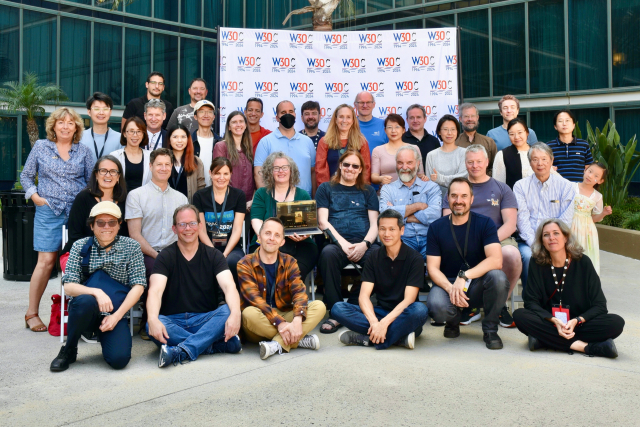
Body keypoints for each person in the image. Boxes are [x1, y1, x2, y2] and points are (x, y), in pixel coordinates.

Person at [49, 202, 146, 372]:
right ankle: (69, 350)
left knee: (119, 360)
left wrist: (116, 317)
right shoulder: (80, 246)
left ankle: (106, 333)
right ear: (92, 226)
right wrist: (96, 292)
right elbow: (69, 286)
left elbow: (138, 286)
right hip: (85, 312)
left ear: (119, 225)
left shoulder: (131, 247)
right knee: (84, 301)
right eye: (100, 222)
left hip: (115, 312)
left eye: (112, 222)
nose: (106, 227)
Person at [20, 107, 93, 333]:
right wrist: (34, 196)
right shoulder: (41, 147)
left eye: (70, 123)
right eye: (61, 122)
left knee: (78, 260)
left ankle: (77, 313)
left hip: (76, 214)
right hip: (48, 211)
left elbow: (92, 182)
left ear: (76, 128)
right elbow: (26, 175)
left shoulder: (84, 151)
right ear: (53, 126)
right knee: (46, 262)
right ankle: (31, 313)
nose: (65, 126)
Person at [146, 205, 242, 367]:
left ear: (200, 225)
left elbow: (229, 287)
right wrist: (153, 319)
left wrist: (236, 314)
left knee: (227, 311)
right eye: (182, 224)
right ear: (174, 229)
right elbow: (155, 291)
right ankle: (211, 345)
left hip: (205, 320)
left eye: (192, 223)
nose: (187, 228)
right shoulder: (165, 257)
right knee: (152, 323)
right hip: (173, 322)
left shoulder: (214, 255)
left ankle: (179, 351)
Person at [513, 219, 624, 358]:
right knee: (520, 316)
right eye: (546, 235)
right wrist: (554, 320)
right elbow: (530, 301)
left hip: (579, 324)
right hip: (551, 323)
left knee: (616, 323)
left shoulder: (583, 262)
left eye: (556, 233)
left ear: (565, 237)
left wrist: (577, 320)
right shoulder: (537, 263)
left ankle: (544, 340)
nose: (551, 238)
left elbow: (600, 305)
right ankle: (587, 347)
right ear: (542, 241)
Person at [426, 178, 510, 350]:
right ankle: (453, 321)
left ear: (472, 199)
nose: (459, 201)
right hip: (447, 284)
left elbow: (496, 260)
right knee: (436, 305)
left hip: (476, 283)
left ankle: (490, 329)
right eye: (454, 196)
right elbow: (432, 268)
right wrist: (451, 289)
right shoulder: (436, 227)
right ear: (447, 199)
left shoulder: (485, 223)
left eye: (464, 196)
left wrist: (464, 277)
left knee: (498, 278)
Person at [442, 146, 521, 328]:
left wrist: (489, 241)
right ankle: (471, 305)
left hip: (497, 238)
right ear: (465, 163)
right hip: (462, 239)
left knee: (512, 254)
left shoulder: (502, 188)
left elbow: (510, 223)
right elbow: (447, 218)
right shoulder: (456, 188)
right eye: (470, 162)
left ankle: (499, 305)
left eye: (479, 161)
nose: (475, 165)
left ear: (487, 162)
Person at [332, 209, 429, 350]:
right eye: (382, 229)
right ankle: (397, 337)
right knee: (338, 308)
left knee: (420, 310)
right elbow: (364, 296)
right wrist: (374, 322)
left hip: (404, 314)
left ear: (402, 230)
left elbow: (409, 299)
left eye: (392, 229)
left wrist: (384, 324)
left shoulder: (415, 259)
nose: (386, 234)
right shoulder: (374, 256)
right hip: (380, 312)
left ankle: (368, 339)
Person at [238, 218, 326, 360]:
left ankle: (277, 344)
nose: (272, 238)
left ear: (282, 241)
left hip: (284, 313)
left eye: (277, 235)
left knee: (319, 306)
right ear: (259, 237)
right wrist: (280, 323)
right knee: (248, 313)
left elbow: (299, 292)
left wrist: (297, 320)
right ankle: (298, 339)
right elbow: (255, 300)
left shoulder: (290, 262)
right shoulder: (245, 263)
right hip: (259, 320)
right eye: (267, 233)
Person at [316, 150, 379, 334]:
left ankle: (351, 306)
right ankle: (336, 312)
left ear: (360, 170)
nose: (350, 169)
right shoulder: (326, 188)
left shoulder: (368, 191)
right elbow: (323, 222)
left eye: (355, 166)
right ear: (340, 167)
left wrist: (365, 244)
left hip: (364, 243)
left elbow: (375, 223)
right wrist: (342, 244)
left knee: (378, 257)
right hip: (337, 244)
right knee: (327, 255)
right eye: (346, 165)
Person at [514, 142, 575, 290]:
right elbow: (522, 220)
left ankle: (559, 299)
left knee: (568, 257)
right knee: (529, 257)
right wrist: (535, 244)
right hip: (529, 240)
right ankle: (531, 301)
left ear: (552, 160)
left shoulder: (566, 185)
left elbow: (565, 221)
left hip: (557, 239)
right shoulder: (520, 186)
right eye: (535, 159)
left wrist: (551, 240)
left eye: (544, 159)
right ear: (530, 163)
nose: (540, 163)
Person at [250, 152, 319, 280]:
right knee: (271, 269)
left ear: (291, 170)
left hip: (299, 246)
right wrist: (266, 237)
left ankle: (293, 299)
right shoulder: (261, 193)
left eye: (285, 167)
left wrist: (305, 235)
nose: (281, 171)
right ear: (270, 171)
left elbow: (308, 224)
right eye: (276, 168)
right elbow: (256, 219)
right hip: (266, 244)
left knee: (294, 272)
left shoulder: (302, 195)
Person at [126, 148, 189, 279]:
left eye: (167, 164)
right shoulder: (136, 196)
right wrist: (157, 255)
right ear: (150, 166)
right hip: (147, 254)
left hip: (176, 252)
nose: (163, 168)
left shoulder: (181, 198)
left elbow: (185, 232)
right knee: (159, 274)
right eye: (159, 164)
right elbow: (134, 234)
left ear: (171, 166)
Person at [379, 145, 441, 258]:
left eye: (409, 162)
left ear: (417, 164)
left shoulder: (431, 187)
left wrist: (400, 216)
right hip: (402, 241)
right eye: (400, 163)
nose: (404, 167)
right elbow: (385, 214)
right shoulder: (387, 189)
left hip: (429, 239)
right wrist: (417, 206)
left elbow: (435, 215)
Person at [193, 157, 246, 284]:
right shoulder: (200, 196)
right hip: (206, 247)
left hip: (231, 248)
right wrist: (214, 253)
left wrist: (224, 254)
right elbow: (201, 230)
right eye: (217, 173)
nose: (221, 177)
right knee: (203, 263)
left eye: (225, 173)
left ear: (231, 174)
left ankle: (230, 298)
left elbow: (237, 229)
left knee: (232, 262)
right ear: (210, 174)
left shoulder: (238, 195)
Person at [62, 155, 128, 255]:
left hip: (117, 255)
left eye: (113, 171)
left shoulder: (126, 200)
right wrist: (99, 254)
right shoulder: (83, 198)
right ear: (96, 174)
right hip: (82, 253)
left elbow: (127, 236)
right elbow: (75, 235)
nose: (108, 175)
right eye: (103, 170)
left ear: (118, 176)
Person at [254, 100, 316, 196]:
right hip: (275, 200)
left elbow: (313, 173)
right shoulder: (265, 142)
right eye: (283, 112)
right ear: (277, 118)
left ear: (295, 114)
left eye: (291, 111)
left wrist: (314, 199)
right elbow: (259, 174)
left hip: (303, 200)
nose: (288, 115)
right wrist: (266, 200)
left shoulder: (307, 142)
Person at [315, 104, 371, 186]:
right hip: (332, 190)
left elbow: (366, 169)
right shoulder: (324, 142)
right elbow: (321, 171)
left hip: (355, 190)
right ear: (335, 119)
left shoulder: (361, 142)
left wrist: (361, 191)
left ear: (353, 120)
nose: (344, 120)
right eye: (341, 116)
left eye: (348, 117)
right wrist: (327, 191)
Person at [572, 163, 612, 275]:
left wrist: (603, 213)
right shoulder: (571, 187)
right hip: (569, 225)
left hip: (587, 231)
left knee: (585, 255)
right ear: (585, 170)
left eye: (596, 176)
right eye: (590, 171)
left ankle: (584, 284)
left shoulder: (597, 196)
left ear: (600, 181)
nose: (590, 176)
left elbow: (594, 218)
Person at [213, 110, 255, 207]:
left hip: (248, 204)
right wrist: (237, 202)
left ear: (245, 126)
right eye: (234, 122)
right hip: (229, 203)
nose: (238, 124)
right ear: (229, 127)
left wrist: (252, 200)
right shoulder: (221, 146)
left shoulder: (247, 148)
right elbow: (220, 177)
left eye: (241, 121)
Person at [372, 113, 424, 189]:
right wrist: (381, 179)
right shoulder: (378, 150)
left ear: (403, 130)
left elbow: (420, 174)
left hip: (410, 193)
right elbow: (374, 177)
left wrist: (425, 178)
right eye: (389, 127)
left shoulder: (414, 148)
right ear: (385, 130)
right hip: (387, 194)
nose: (393, 131)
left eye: (397, 127)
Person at [425, 115, 467, 196]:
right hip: (436, 198)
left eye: (453, 129)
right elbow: (430, 182)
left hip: (459, 198)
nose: (449, 133)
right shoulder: (431, 155)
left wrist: (439, 178)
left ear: (457, 131)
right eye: (445, 129)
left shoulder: (464, 153)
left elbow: (462, 179)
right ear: (439, 132)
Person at [547, 109, 594, 182]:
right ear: (555, 126)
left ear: (574, 125)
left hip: (578, 189)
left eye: (567, 120)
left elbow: (589, 167)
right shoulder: (548, 146)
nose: (564, 124)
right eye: (560, 121)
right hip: (557, 189)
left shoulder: (583, 145)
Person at [110, 117, 151, 193]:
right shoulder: (115, 156)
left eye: (139, 131)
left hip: (144, 202)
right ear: (124, 133)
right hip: (120, 201)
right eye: (131, 131)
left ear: (143, 134)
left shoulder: (150, 156)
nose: (135, 135)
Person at [167, 124, 205, 202]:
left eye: (183, 137)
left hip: (188, 209)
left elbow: (201, 188)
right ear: (169, 140)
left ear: (188, 139)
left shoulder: (196, 161)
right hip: (167, 208)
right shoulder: (163, 161)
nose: (179, 140)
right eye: (175, 137)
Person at [79, 92, 122, 164]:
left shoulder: (120, 138)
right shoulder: (80, 137)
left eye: (105, 109)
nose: (101, 112)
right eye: (96, 109)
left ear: (110, 112)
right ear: (89, 112)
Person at [493, 118, 535, 189]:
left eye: (520, 132)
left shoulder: (537, 152)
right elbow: (498, 185)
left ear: (527, 132)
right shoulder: (502, 155)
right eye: (512, 134)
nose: (516, 137)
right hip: (513, 198)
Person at [455, 103, 497, 174]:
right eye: (466, 116)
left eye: (473, 116)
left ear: (477, 118)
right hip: (460, 183)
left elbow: (495, 167)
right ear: (460, 119)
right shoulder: (454, 142)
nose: (470, 119)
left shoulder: (489, 142)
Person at [191, 100, 221, 186]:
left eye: (209, 112)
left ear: (214, 116)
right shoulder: (188, 141)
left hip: (215, 191)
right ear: (195, 116)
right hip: (194, 191)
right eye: (201, 111)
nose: (206, 115)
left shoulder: (220, 142)